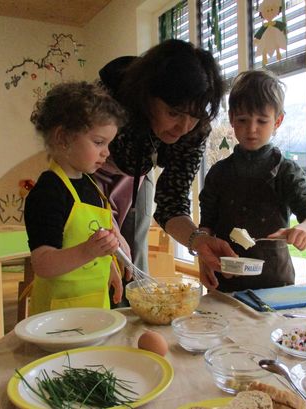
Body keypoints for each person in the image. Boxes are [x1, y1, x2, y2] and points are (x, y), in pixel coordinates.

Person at [96, 39, 237, 305]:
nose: (183, 127)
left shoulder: (194, 130)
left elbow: (172, 203)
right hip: (87, 173)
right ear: (147, 97)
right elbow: (75, 163)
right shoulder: (108, 101)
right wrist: (102, 225)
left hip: (136, 176)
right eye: (173, 113)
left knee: (132, 261)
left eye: (194, 116)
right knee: (98, 257)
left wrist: (199, 241)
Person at [198, 70, 306, 292]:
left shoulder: (286, 171)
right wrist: (203, 259)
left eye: (262, 121)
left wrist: (305, 230)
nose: (251, 129)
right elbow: (206, 225)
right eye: (243, 120)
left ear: (278, 121)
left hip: (275, 284)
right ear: (232, 119)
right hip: (226, 282)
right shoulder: (219, 173)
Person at [24, 81, 127, 315]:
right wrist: (88, 251)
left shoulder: (91, 185)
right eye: (99, 142)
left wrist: (110, 268)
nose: (106, 152)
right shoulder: (48, 193)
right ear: (63, 138)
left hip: (95, 308)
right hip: (57, 316)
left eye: (108, 144)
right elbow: (43, 264)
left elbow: (95, 245)